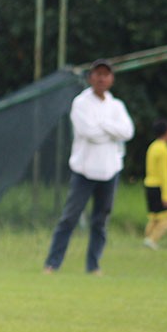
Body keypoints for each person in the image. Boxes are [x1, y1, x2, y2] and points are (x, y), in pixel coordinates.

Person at [44, 59, 134, 275]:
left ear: (111, 78)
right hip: (84, 171)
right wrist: (112, 131)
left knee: (100, 221)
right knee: (70, 218)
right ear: (91, 77)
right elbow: (89, 133)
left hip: (110, 170)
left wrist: (104, 124)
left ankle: (93, 266)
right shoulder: (81, 103)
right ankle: (52, 264)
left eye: (106, 74)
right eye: (98, 74)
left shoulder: (116, 105)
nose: (102, 78)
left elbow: (128, 132)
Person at [142, 118, 167, 250]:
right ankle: (151, 240)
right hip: (159, 186)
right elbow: (164, 174)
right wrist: (166, 195)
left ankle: (147, 238)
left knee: (154, 217)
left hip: (149, 184)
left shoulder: (152, 146)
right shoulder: (163, 150)